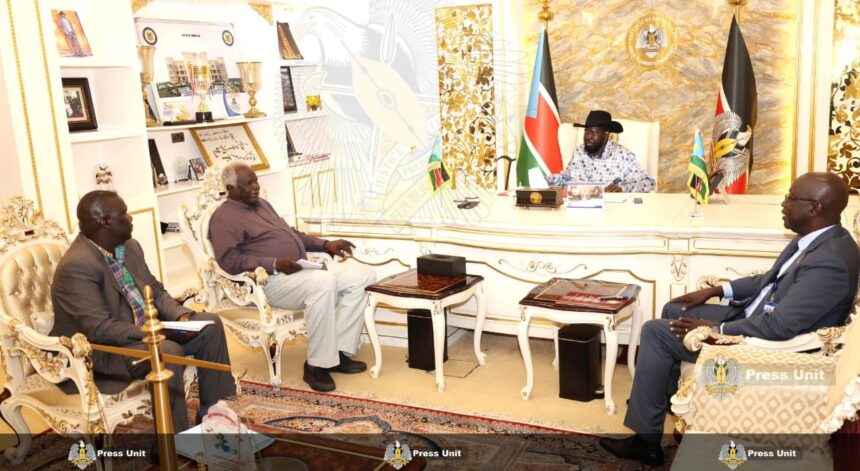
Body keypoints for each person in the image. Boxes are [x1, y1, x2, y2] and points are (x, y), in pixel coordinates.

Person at [599, 172, 860, 466]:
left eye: (790, 198)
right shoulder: (819, 239)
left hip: (770, 345)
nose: (783, 204)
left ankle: (646, 442)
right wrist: (717, 289)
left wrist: (715, 328)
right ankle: (660, 398)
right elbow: (771, 280)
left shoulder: (831, 261)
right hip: (756, 315)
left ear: (814, 208)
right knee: (676, 309)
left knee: (656, 332)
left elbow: (781, 326)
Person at [51, 191, 236, 432]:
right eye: (124, 214)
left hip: (143, 333)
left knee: (209, 325)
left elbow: (155, 290)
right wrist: (152, 332)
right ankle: (172, 442)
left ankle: (213, 413)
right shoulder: (77, 266)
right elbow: (100, 328)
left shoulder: (129, 246)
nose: (131, 218)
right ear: (104, 222)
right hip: (105, 351)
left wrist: (179, 315)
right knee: (166, 351)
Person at [209, 162, 377, 393]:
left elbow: (292, 234)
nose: (256, 187)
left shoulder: (262, 205)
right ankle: (317, 366)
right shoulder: (223, 218)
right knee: (324, 283)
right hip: (266, 282)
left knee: (364, 275)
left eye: (256, 181)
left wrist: (325, 244)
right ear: (231, 188)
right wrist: (274, 264)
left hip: (298, 269)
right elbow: (229, 261)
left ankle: (337, 352)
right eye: (248, 184)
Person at [547, 110, 655, 193]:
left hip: (611, 214)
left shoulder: (622, 155)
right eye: (586, 132)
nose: (588, 137)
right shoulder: (579, 152)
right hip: (580, 210)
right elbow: (567, 180)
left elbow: (648, 182)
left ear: (606, 134)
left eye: (593, 132)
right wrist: (548, 180)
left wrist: (622, 188)